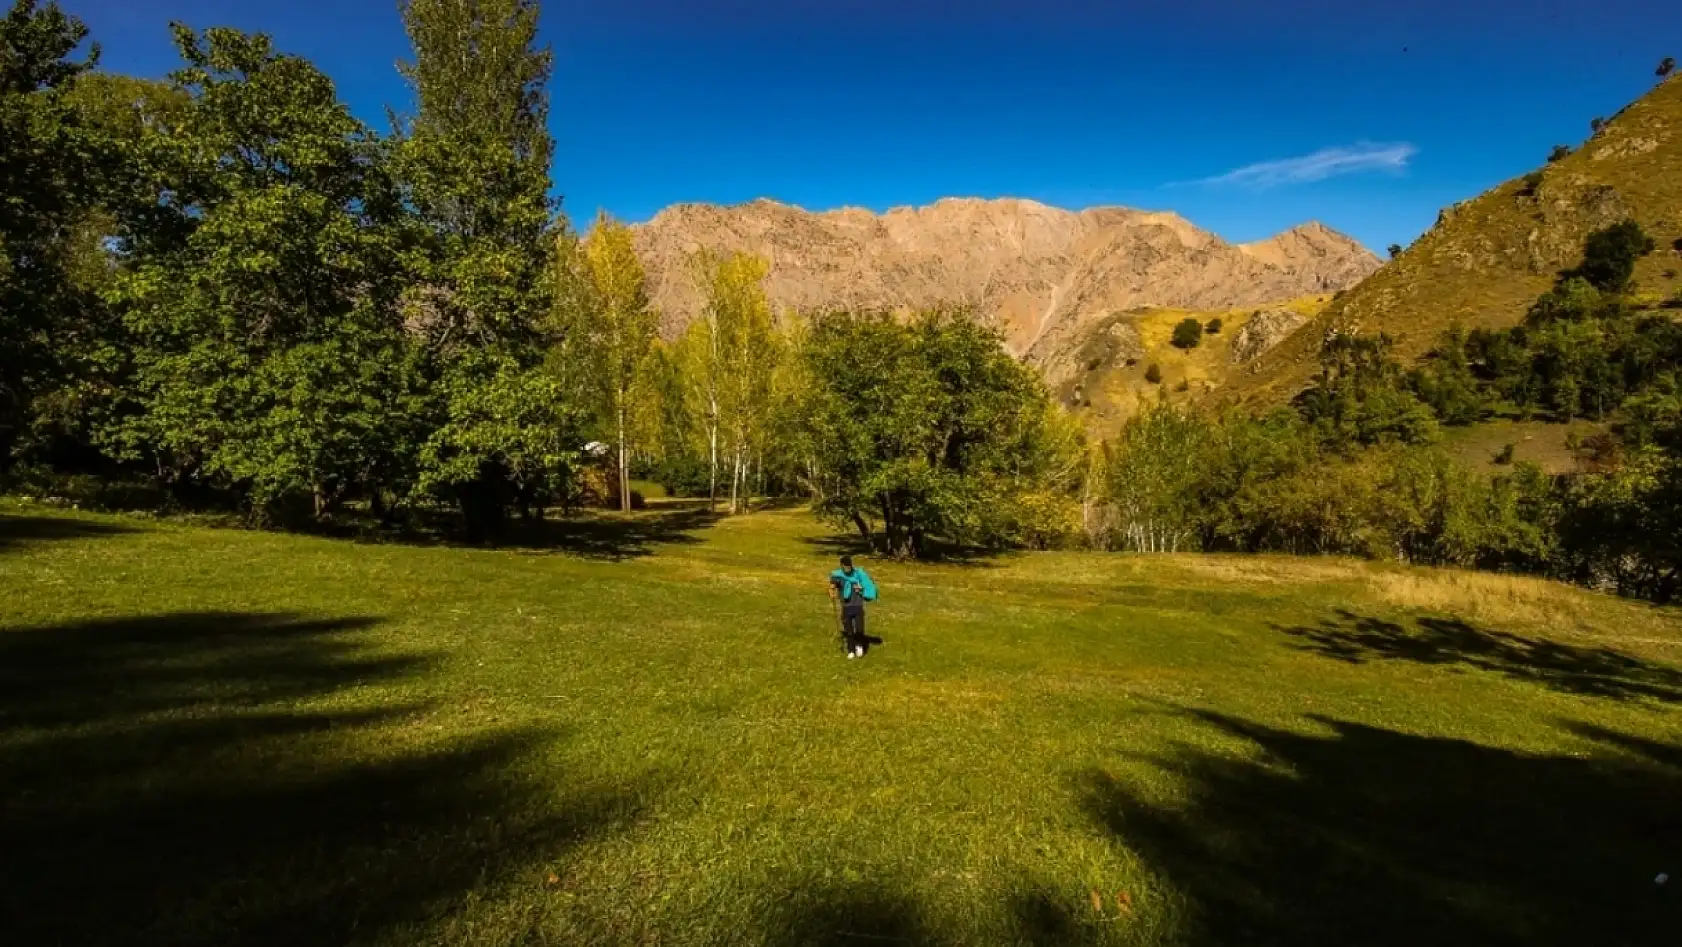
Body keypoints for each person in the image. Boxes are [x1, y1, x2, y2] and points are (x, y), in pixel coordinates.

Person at [827, 555, 878, 659]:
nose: (848, 569)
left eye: (849, 567)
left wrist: (861, 588)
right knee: (848, 630)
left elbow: (866, 584)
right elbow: (832, 586)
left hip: (858, 605)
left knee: (859, 628)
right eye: (846, 567)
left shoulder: (858, 574)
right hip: (846, 606)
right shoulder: (838, 576)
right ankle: (851, 650)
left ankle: (859, 645)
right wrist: (831, 592)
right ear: (842, 566)